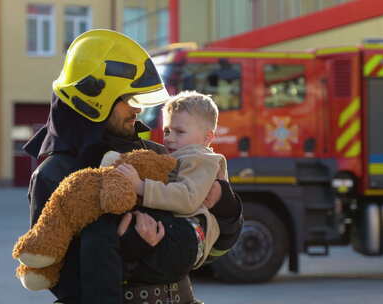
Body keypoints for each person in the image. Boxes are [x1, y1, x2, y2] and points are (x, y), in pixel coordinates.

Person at [22, 29, 242, 304]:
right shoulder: (55, 174)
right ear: (95, 100)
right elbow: (58, 276)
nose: (137, 110)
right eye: (128, 99)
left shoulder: (157, 155)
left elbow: (215, 248)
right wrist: (131, 251)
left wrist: (226, 207)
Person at [115, 91, 238, 273]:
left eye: (179, 132)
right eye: (167, 130)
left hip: (191, 237)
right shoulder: (180, 156)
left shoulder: (200, 158)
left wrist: (141, 186)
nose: (169, 138)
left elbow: (187, 199)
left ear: (207, 138)